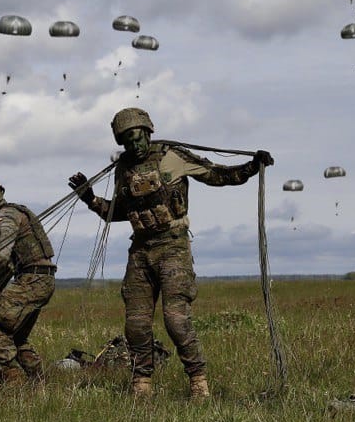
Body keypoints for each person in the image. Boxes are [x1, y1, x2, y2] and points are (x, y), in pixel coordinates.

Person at [68, 107, 273, 399]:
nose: (134, 146)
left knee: (176, 320)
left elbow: (218, 175)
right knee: (136, 325)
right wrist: (88, 197)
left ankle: (198, 383)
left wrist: (252, 167)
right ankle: (141, 385)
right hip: (140, 252)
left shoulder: (172, 156)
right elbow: (118, 213)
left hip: (173, 247)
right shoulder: (122, 169)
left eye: (138, 138)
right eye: (127, 141)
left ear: (149, 133)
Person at [0, 177, 56, 384]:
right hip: (41, 280)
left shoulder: (4, 219)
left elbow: (1, 256)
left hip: (31, 280)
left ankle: (15, 384)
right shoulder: (14, 213)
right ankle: (39, 383)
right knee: (15, 337)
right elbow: (10, 264)